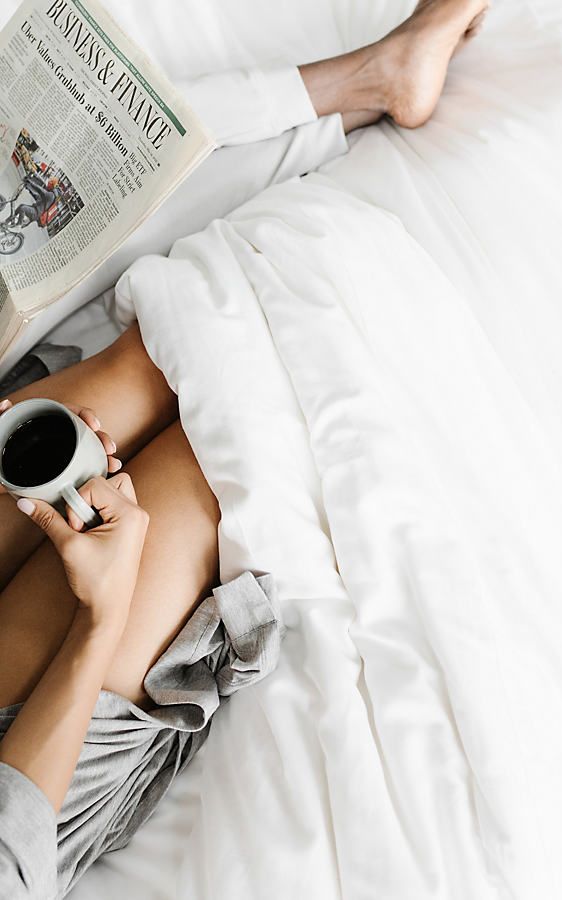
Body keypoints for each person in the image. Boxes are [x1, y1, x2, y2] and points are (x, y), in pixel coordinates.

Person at [0, 1, 488, 896]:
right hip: (23, 777)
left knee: (115, 382)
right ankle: (373, 92)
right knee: (211, 415)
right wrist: (100, 616)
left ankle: (372, 77)